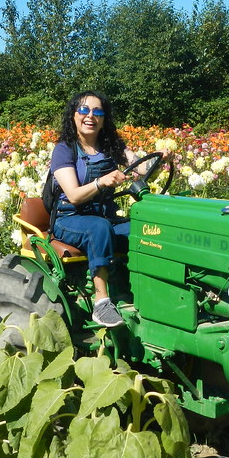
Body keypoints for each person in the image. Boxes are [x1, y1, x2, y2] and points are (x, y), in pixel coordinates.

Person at [50, 91, 146, 328]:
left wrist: (161, 158)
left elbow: (142, 167)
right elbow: (73, 195)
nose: (90, 116)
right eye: (84, 110)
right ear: (74, 115)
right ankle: (102, 302)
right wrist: (101, 182)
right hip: (70, 218)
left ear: (104, 118)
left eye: (98, 111)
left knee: (145, 230)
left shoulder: (111, 146)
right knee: (99, 228)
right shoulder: (65, 150)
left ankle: (145, 290)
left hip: (105, 215)